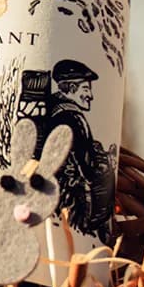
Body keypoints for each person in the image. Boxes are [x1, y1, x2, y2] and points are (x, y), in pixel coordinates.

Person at [39, 58, 114, 242]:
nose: (91, 96)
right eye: (86, 89)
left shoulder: (50, 108)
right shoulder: (74, 118)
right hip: (68, 202)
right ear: (72, 88)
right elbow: (88, 168)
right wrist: (107, 164)